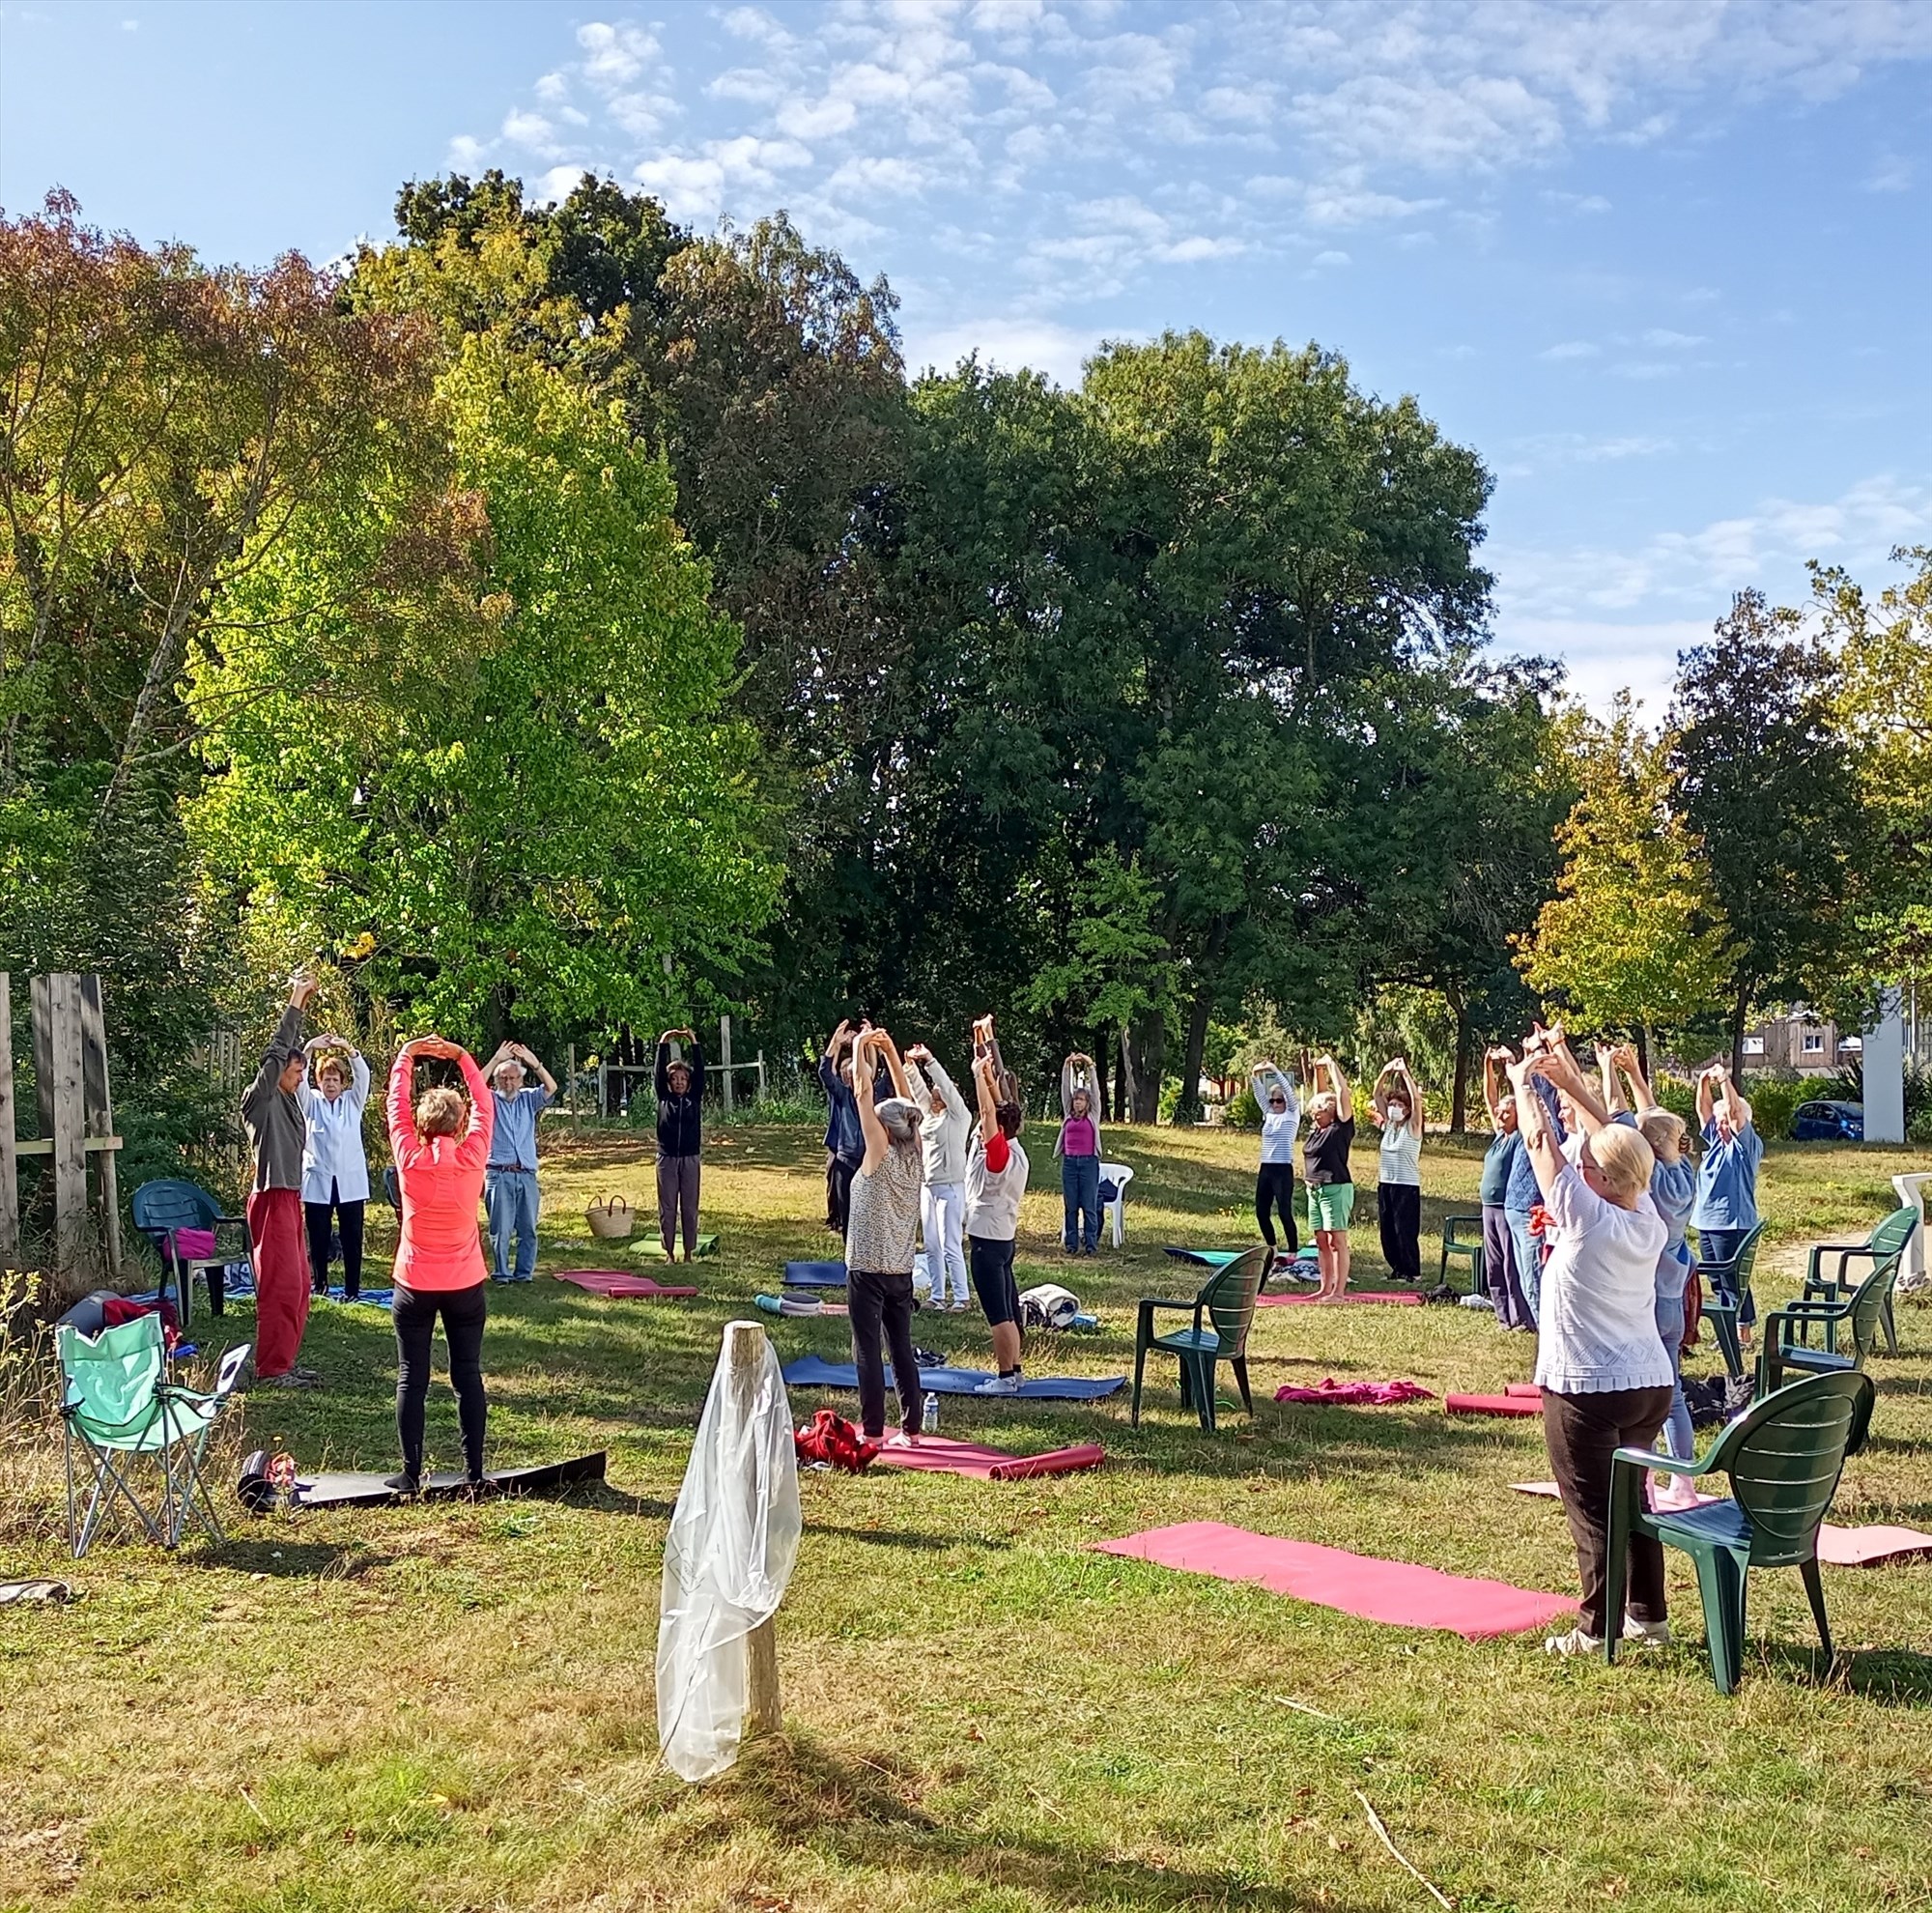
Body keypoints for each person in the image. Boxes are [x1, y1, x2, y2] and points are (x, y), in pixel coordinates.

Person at [1506, 1042, 1671, 1660]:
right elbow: (1614, 1137)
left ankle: (1596, 1628)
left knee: (1592, 1512)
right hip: (1648, 1385)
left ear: (1601, 1178)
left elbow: (1540, 1146)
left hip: (1586, 1389)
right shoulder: (1644, 1214)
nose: (1582, 1171)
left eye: (1591, 1168)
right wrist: (1572, 1085)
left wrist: (1527, 1085)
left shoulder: (1586, 1217)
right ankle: (1648, 1616)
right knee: (1634, 1499)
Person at [386, 1035, 495, 1494]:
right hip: (465, 1282)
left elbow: (395, 1105)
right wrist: (463, 1057)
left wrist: (407, 1055)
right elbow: (485, 1104)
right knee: (466, 1374)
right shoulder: (473, 1156)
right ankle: (474, 1473)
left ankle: (411, 1474)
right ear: (461, 1123)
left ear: (422, 1126)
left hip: (413, 1282)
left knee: (413, 1375)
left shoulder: (409, 1157)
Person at [1609, 1043, 1699, 1504]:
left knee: (1650, 1395)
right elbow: (1653, 1123)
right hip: (1673, 1299)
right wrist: (1634, 1074)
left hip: (1648, 1301)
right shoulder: (1684, 1173)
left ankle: (1652, 1477)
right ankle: (1681, 1479)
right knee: (1673, 1391)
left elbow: (1621, 1123)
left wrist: (1610, 1071)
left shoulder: (1651, 1187)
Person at [843, 1027, 925, 1446]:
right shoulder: (917, 1154)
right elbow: (910, 1106)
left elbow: (861, 1094)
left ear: (886, 1129)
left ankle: (873, 1430)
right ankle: (911, 1429)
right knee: (902, 1348)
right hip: (900, 1268)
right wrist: (892, 1055)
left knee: (868, 1349)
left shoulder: (879, 1151)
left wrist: (859, 1046)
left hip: (867, 1267)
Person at [241, 972, 321, 1388]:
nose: (300, 1077)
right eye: (294, 1071)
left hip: (291, 1198)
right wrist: (296, 999)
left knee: (301, 1287)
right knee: (280, 1287)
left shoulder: (290, 1100)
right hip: (271, 1199)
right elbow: (275, 1053)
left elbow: (289, 1061)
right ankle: (270, 1369)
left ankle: (285, 1362)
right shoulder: (262, 1100)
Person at [966, 1018, 1031, 1392]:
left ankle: (1006, 1377)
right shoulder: (1017, 1149)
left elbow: (990, 1112)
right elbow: (1000, 1100)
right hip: (1003, 1239)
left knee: (999, 1315)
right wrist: (984, 1046)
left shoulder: (999, 1155)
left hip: (988, 1243)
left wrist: (978, 1076)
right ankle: (1016, 1371)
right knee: (1008, 1306)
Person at [1692, 1061, 1763, 1345]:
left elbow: (1732, 1111)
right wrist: (1702, 1081)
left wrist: (1724, 1081)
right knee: (1716, 1280)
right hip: (1706, 1221)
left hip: (1731, 1223)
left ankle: (1742, 1334)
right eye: (1718, 1119)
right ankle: (1728, 1331)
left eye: (1725, 1119)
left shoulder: (1745, 1145)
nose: (1719, 1123)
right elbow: (1702, 1109)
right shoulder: (1715, 1143)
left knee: (1734, 1280)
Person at [298, 1033, 371, 1300]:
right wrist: (308, 1048)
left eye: (335, 1079)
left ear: (342, 1083)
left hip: (350, 1181)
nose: (330, 1083)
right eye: (326, 1079)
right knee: (319, 1236)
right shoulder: (311, 1103)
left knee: (352, 1237)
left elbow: (363, 1076)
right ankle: (320, 1285)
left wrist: (349, 1049)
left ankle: (353, 1289)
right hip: (318, 1180)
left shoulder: (353, 1102)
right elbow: (299, 1080)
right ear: (319, 1082)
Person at [482, 1041, 557, 1283]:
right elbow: (473, 1086)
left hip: (526, 1173)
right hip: (498, 1173)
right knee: (501, 1230)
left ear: (521, 1080)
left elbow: (551, 1087)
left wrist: (534, 1063)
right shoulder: (490, 1100)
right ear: (497, 1081)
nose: (508, 1083)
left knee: (528, 1230)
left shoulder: (528, 1099)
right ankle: (502, 1274)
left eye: (513, 1078)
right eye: (503, 1078)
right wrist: (496, 1059)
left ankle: (524, 1275)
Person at [904, 1042, 971, 1309]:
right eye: (933, 1093)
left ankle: (962, 1297)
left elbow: (945, 1086)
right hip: (928, 1187)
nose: (934, 1095)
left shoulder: (959, 1117)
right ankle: (937, 1296)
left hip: (951, 1187)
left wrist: (930, 1060)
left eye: (938, 1092)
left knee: (950, 1244)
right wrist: (909, 1065)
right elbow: (917, 1089)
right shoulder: (928, 1117)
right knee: (931, 1244)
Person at [1479, 1047, 1531, 1330]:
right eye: (1500, 1112)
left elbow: (1521, 1102)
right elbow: (1491, 1098)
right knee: (1494, 1266)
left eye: (1507, 1112)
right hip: (1488, 1207)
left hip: (1508, 1208)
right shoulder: (1500, 1135)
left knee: (1512, 1266)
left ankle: (1521, 1317)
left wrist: (1512, 1067)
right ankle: (1503, 1318)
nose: (1500, 1114)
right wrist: (1488, 1065)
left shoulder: (1519, 1138)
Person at [1300, 1053, 1354, 1302]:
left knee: (1336, 1240)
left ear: (1331, 1113)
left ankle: (1339, 1292)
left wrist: (1331, 1065)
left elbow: (1342, 1092)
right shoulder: (1317, 1129)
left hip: (1335, 1188)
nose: (1314, 1114)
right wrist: (1318, 1071)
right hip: (1314, 1190)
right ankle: (1324, 1287)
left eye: (1319, 1111)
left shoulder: (1340, 1127)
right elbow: (1320, 1095)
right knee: (1321, 1239)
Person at [1369, 1057, 1425, 1285]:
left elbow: (1417, 1100)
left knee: (1405, 1229)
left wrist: (1405, 1074)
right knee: (1388, 1229)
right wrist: (1385, 1070)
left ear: (1407, 1110)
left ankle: (1412, 1271)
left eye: (1399, 1106)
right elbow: (1376, 1095)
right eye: (1392, 1105)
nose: (1394, 1109)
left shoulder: (1413, 1127)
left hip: (1406, 1185)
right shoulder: (1389, 1126)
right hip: (1386, 1182)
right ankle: (1396, 1268)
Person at [655, 1027, 705, 1261]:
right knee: (667, 1207)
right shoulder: (664, 1098)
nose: (679, 1082)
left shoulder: (694, 1098)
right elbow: (658, 1072)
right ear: (669, 1082)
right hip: (666, 1159)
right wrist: (664, 1041)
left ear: (688, 1082)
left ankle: (688, 1253)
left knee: (689, 1207)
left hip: (690, 1158)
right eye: (674, 1079)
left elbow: (701, 1072)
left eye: (683, 1079)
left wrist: (693, 1041)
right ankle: (669, 1253)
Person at [819, 1019, 866, 1236]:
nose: (849, 1074)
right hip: (839, 1147)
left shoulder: (866, 1095)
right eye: (846, 1072)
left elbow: (870, 1070)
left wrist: (867, 1043)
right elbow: (829, 1071)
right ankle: (835, 1219)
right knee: (835, 1184)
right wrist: (836, 1044)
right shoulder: (840, 1092)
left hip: (860, 1154)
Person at [1054, 1053, 1103, 1256]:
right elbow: (1065, 1090)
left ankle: (1091, 1245)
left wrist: (1090, 1064)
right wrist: (1067, 1065)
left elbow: (1097, 1092)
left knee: (1089, 1206)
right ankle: (1071, 1244)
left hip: (1088, 1163)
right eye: (1076, 1100)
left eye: (1081, 1100)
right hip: (1070, 1163)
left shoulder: (1093, 1115)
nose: (1077, 1103)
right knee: (1071, 1205)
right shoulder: (1068, 1114)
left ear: (1087, 1102)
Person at [1251, 1061, 1300, 1260]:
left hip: (1282, 1168)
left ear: (1286, 1102)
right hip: (1266, 1168)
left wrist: (1273, 1070)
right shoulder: (1269, 1114)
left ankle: (1293, 1251)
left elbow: (1288, 1091)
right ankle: (1272, 1247)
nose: (1274, 1104)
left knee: (1283, 1211)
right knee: (1261, 1211)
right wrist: (1254, 1075)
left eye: (1278, 1100)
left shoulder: (1292, 1114)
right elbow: (1258, 1094)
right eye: (1273, 1101)